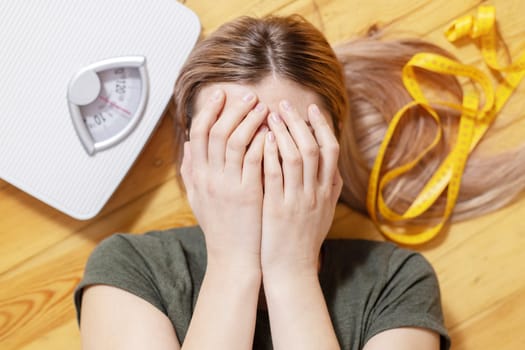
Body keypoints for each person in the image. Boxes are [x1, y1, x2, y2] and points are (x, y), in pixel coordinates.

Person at [74, 14, 512, 350]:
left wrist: (291, 270)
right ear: (191, 158)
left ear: (330, 155)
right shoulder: (131, 269)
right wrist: (232, 262)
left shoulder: (395, 282)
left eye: (289, 147)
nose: (259, 175)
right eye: (233, 145)